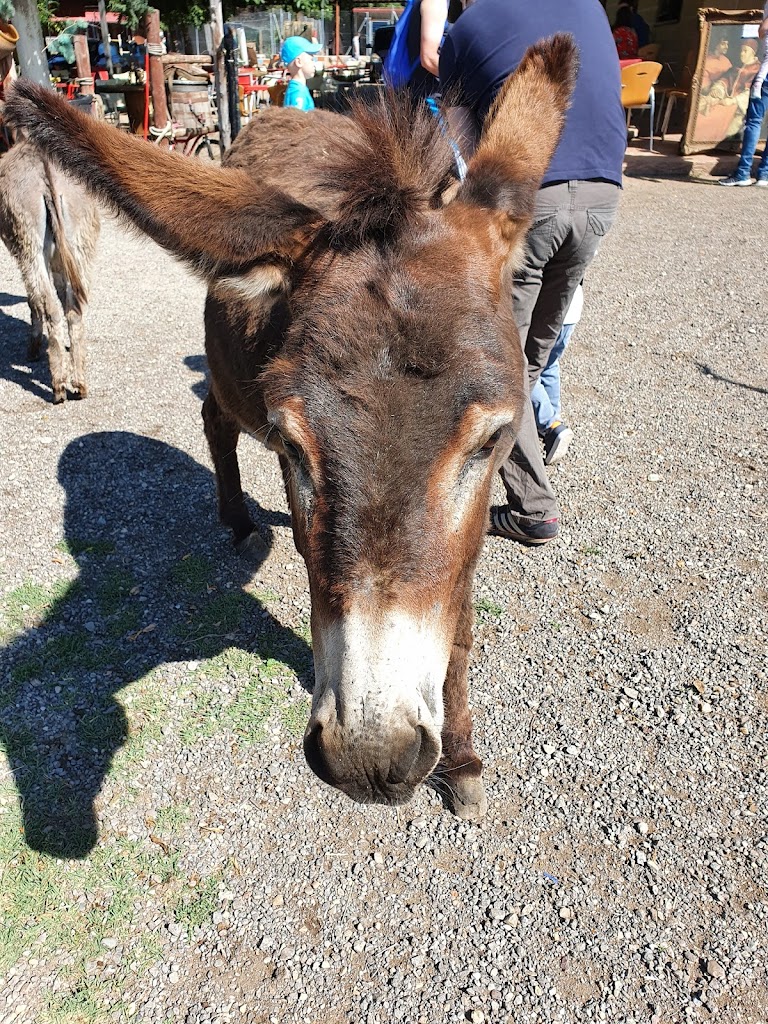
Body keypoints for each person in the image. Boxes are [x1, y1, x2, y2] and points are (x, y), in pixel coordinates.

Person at [440, 0, 625, 545]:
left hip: (530, 199)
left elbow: (460, 137)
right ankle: (537, 429)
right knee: (533, 354)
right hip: (602, 196)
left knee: (504, 365)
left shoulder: (467, 27)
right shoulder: (589, 5)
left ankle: (533, 507)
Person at [530, 284, 583, 466]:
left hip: (548, 311)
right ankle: (555, 426)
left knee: (526, 367)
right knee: (550, 364)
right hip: (573, 308)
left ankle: (551, 426)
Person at [719, 11, 768, 186]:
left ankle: (743, 172)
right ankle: (764, 174)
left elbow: (763, 30)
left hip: (766, 73)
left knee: (753, 122)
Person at [280, 36, 321, 111]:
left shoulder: (296, 88)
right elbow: (298, 120)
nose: (314, 63)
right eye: (311, 59)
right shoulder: (298, 92)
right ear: (299, 62)